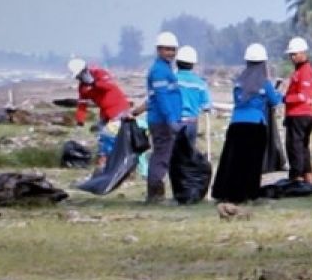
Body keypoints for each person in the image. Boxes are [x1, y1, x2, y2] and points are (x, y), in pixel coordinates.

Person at [211, 43, 284, 203]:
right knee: (252, 161)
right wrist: (279, 95)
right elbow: (274, 101)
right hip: (256, 125)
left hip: (236, 124)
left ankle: (226, 192)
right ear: (263, 63)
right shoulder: (265, 82)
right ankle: (249, 194)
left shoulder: (239, 81)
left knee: (233, 160)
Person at [137, 31, 184, 203]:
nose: (171, 53)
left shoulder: (165, 69)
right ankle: (155, 194)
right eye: (167, 49)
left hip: (163, 119)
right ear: (158, 50)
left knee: (162, 155)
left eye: (173, 50)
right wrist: (171, 119)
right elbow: (162, 97)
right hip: (162, 121)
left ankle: (156, 193)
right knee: (161, 157)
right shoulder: (158, 71)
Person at [68, 58, 132, 168]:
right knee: (102, 136)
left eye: (80, 75)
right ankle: (106, 161)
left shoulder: (100, 73)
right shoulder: (83, 87)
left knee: (110, 135)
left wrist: (94, 83)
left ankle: (114, 161)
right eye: (78, 77)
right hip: (105, 112)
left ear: (85, 70)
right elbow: (82, 104)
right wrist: (80, 120)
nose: (80, 78)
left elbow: (109, 86)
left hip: (119, 109)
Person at [282, 37, 312, 184]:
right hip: (299, 114)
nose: (292, 57)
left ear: (303, 53)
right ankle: (307, 174)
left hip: (300, 114)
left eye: (294, 54)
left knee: (294, 146)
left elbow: (303, 95)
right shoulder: (300, 70)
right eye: (291, 55)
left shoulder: (305, 71)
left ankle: (296, 176)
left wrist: (286, 99)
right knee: (302, 147)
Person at [174, 45, 212, 146]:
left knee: (172, 154)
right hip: (191, 123)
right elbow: (207, 106)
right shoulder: (200, 84)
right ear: (193, 64)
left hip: (174, 122)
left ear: (177, 63)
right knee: (189, 154)